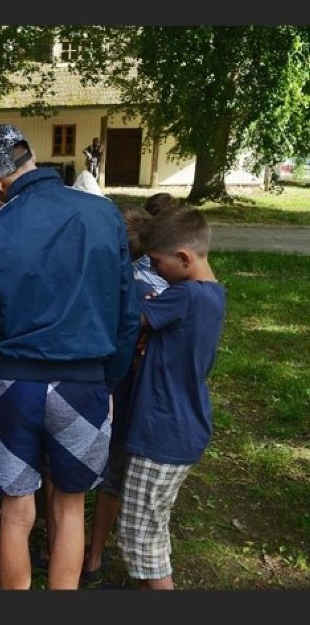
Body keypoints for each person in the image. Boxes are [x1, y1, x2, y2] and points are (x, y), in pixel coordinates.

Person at [0, 123, 140, 590]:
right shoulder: (104, 215)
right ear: (29, 155)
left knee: (16, 511)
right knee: (70, 506)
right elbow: (127, 314)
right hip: (84, 383)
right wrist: (107, 381)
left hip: (15, 385)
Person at [117, 207, 226, 590]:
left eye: (157, 263)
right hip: (179, 427)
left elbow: (130, 319)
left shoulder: (184, 297)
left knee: (140, 539)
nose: (155, 270)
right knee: (151, 528)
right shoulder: (210, 295)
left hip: (164, 432)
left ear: (183, 259)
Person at [81, 205, 168, 588]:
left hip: (113, 388)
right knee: (124, 479)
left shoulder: (109, 283)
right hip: (144, 395)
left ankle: (94, 556)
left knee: (111, 477)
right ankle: (105, 553)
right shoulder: (164, 288)